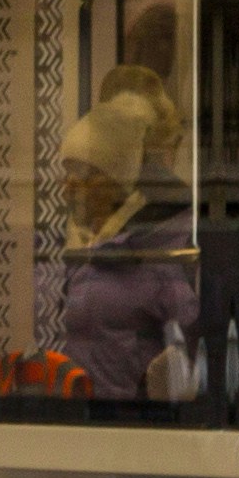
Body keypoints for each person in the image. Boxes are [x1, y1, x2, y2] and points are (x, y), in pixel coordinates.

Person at [44, 93, 201, 401]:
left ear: (114, 181)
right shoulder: (63, 245)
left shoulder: (156, 249)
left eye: (82, 175)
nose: (67, 187)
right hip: (70, 422)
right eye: (67, 172)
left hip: (129, 426)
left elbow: (190, 345)